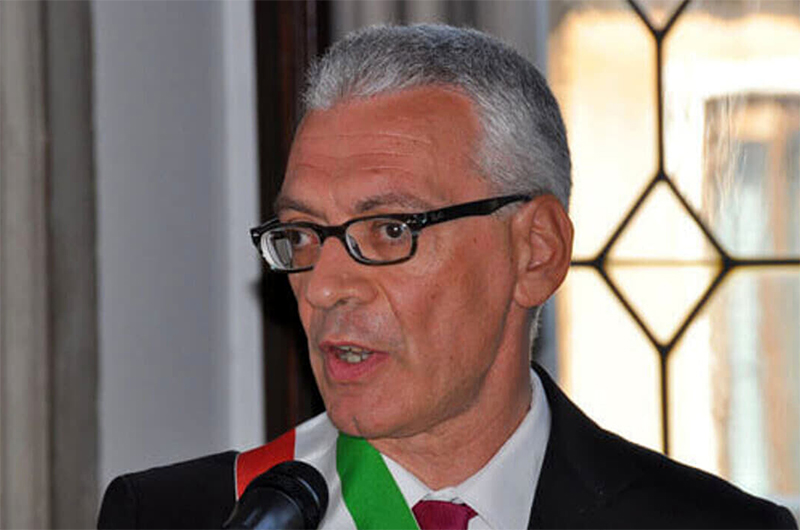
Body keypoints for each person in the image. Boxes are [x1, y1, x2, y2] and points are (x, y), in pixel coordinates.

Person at [98, 24, 797, 530]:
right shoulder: (185, 515)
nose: (323, 287)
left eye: (389, 229)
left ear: (536, 251)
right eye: (303, 234)